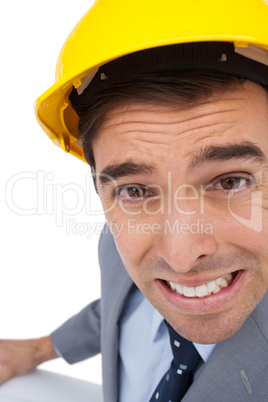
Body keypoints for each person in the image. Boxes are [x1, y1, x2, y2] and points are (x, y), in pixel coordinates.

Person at [1, 0, 268, 401]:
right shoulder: (116, 247)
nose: (180, 258)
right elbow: (119, 308)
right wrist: (40, 348)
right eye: (136, 191)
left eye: (230, 180)